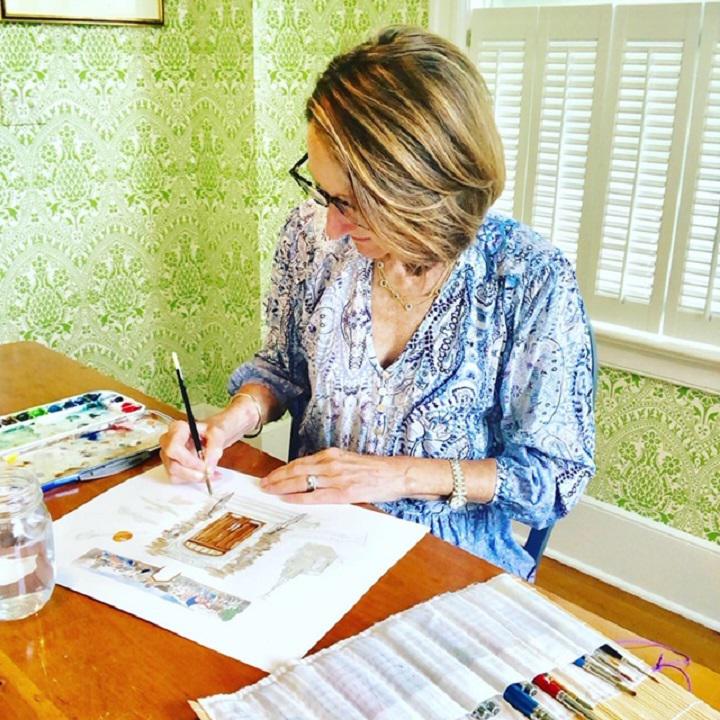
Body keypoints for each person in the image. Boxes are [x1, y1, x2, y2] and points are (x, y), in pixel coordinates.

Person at [160, 26, 595, 579]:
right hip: (307, 537)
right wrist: (227, 422)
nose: (331, 225)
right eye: (324, 194)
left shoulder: (528, 278)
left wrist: (396, 474)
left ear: (421, 192)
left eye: (349, 203)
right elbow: (281, 367)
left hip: (446, 563)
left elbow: (552, 479)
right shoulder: (310, 239)